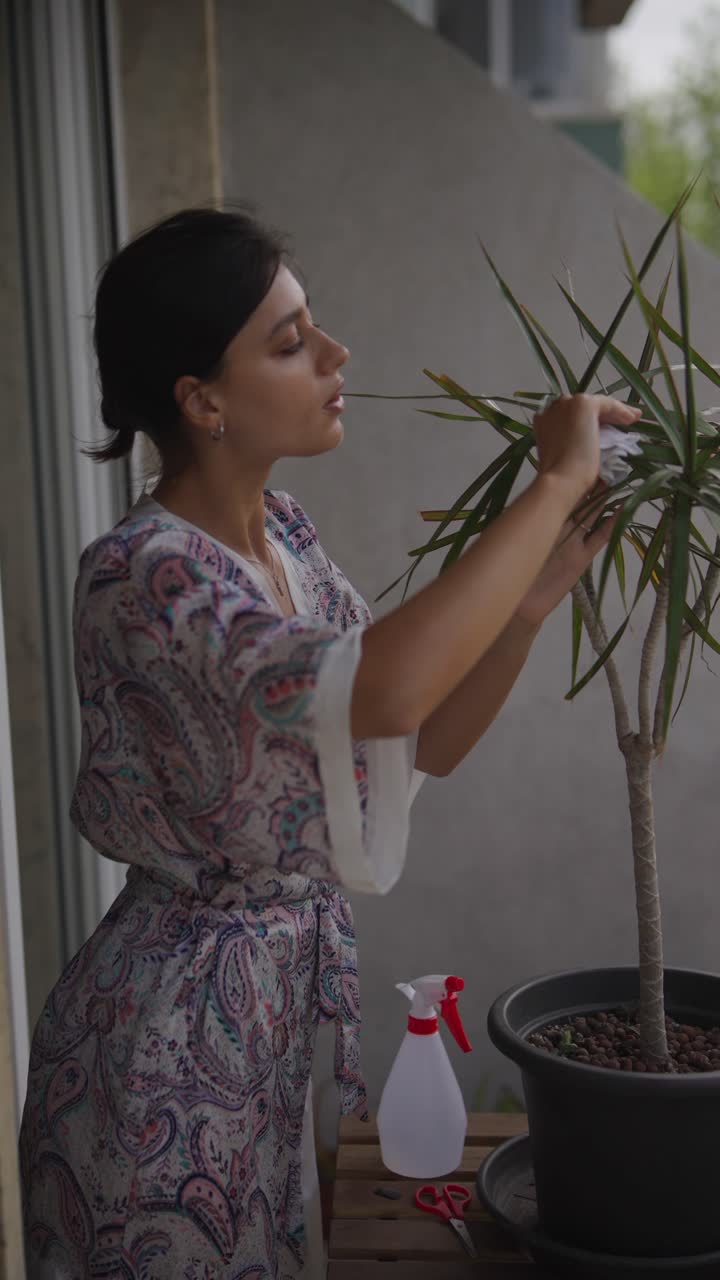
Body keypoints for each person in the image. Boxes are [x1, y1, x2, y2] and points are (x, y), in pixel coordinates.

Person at [18, 206, 642, 1280]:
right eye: (291, 340)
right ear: (202, 399)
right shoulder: (145, 574)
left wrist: (533, 605)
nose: (336, 355)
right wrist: (551, 484)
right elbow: (390, 687)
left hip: (259, 1032)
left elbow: (422, 735)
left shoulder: (287, 537)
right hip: (160, 1054)